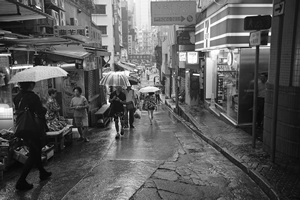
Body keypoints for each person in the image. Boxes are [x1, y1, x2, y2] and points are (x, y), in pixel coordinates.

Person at [13, 81, 52, 191]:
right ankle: (21, 181)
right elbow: (40, 111)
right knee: (34, 153)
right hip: (33, 128)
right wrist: (44, 105)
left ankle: (42, 172)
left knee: (36, 149)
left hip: (23, 127)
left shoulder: (17, 97)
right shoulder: (33, 97)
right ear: (30, 85)